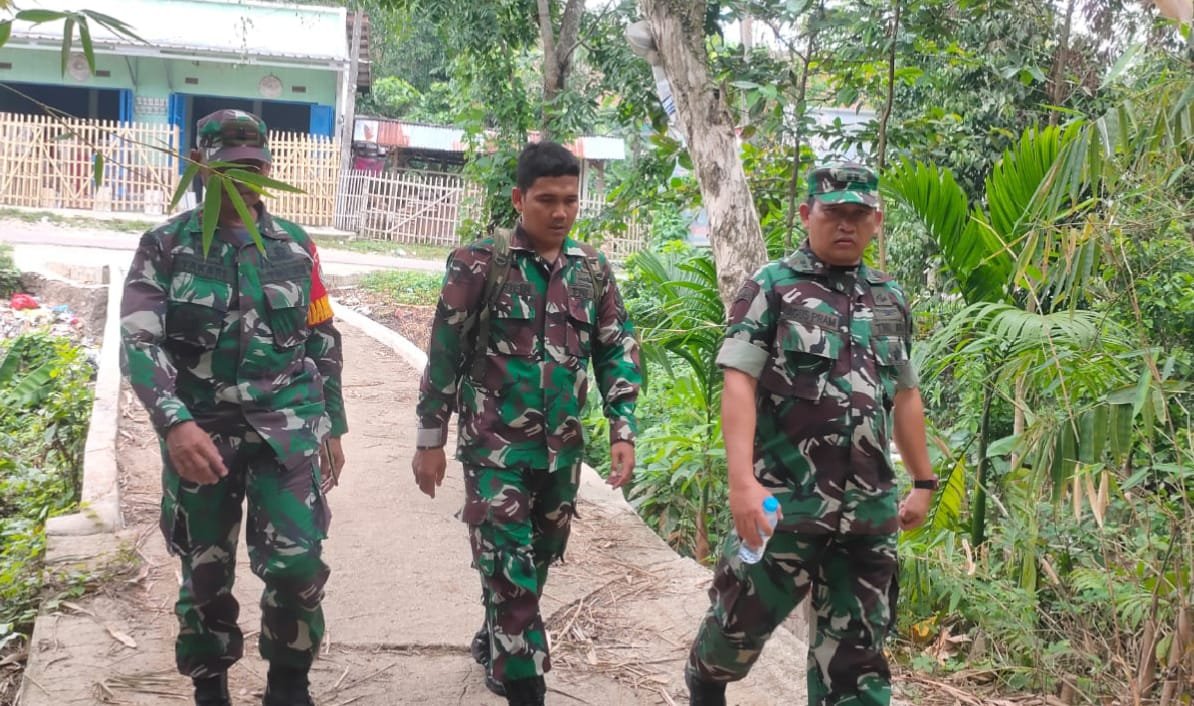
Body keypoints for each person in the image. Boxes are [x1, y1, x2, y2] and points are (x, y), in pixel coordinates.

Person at [684, 162, 936, 706]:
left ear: (876, 222)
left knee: (857, 664)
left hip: (868, 511)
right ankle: (706, 679)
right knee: (736, 630)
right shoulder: (772, 287)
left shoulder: (889, 298)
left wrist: (923, 481)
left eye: (859, 214)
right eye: (833, 212)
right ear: (806, 214)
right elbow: (739, 381)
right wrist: (742, 483)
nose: (846, 224)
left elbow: (905, 393)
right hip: (785, 503)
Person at [120, 109, 347, 706]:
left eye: (254, 168)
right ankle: (210, 684)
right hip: (202, 439)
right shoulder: (166, 246)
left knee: (297, 566)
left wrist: (332, 424)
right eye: (229, 168)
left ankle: (288, 684)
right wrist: (174, 423)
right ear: (199, 165)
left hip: (285, 435)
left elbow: (321, 337)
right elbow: (139, 342)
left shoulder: (295, 246)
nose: (244, 180)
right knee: (205, 577)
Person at [412, 141, 642, 706]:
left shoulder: (592, 269)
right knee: (508, 567)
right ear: (519, 199)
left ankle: (499, 635)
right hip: (494, 449)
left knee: (537, 558)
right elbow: (444, 353)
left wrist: (622, 427)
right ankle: (524, 681)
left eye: (570, 200)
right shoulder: (479, 263)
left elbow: (616, 348)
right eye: (546, 200)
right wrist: (430, 439)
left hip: (561, 451)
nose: (560, 213)